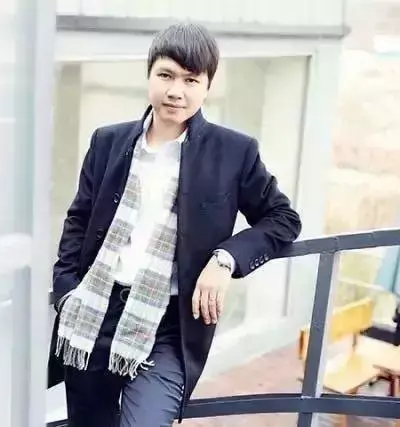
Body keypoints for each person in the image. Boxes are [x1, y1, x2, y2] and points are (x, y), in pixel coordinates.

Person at [48, 22, 302, 427]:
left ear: (208, 86)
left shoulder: (233, 152)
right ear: (149, 74)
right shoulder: (108, 142)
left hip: (171, 325)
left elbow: (283, 219)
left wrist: (225, 260)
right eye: (165, 75)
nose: (175, 91)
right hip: (93, 313)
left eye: (190, 80)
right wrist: (66, 291)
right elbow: (78, 219)